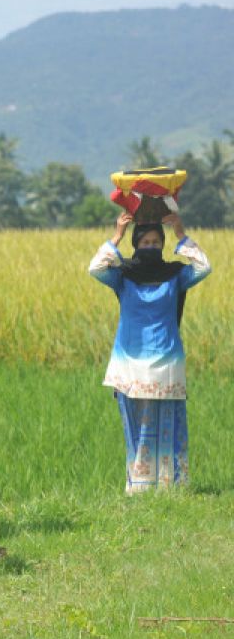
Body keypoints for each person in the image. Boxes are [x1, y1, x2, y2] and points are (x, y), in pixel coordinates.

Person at [88, 210, 210, 492]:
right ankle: (139, 486)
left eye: (157, 242)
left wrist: (181, 233)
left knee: (169, 421)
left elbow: (204, 267)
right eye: (145, 243)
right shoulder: (123, 276)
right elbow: (94, 269)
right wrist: (116, 235)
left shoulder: (175, 275)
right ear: (136, 245)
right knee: (136, 426)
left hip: (167, 361)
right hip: (129, 363)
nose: (151, 247)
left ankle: (171, 486)